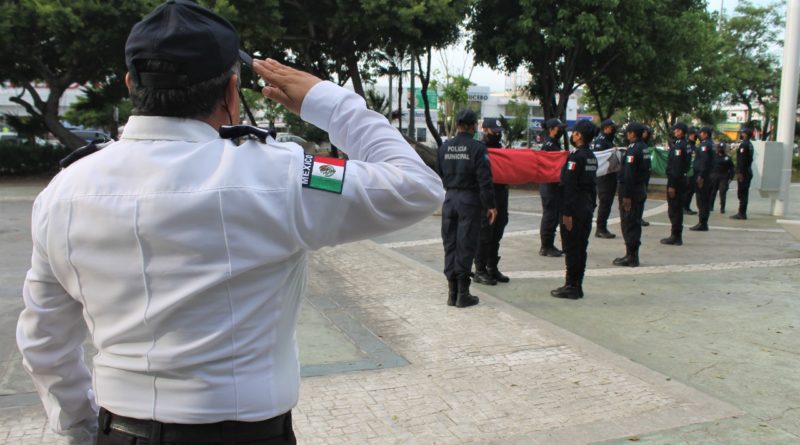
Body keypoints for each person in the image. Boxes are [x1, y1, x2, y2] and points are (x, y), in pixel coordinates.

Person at [16, 2, 444, 444]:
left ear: (130, 84)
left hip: (119, 431)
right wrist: (328, 102)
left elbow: (44, 342)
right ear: (232, 91)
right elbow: (416, 187)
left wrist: (81, 431)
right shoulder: (279, 175)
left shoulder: (63, 192)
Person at [438, 109, 497, 307]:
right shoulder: (478, 148)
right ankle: (463, 293)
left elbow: (439, 174)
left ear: (456, 126)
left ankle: (451, 292)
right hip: (469, 201)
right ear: (473, 127)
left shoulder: (444, 147)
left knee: (450, 244)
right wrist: (491, 205)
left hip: (450, 199)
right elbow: (485, 179)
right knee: (466, 244)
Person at [551, 120, 598, 299]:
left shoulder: (576, 157)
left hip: (575, 208)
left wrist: (567, 213)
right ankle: (577, 285)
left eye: (575, 132)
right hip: (586, 207)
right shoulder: (591, 156)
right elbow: (593, 185)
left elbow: (569, 186)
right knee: (581, 247)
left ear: (579, 135)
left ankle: (571, 286)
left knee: (571, 248)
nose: (572, 135)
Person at [474, 117, 510, 285]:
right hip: (486, 197)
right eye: (493, 131)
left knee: (497, 233)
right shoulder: (479, 149)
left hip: (501, 194)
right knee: (485, 233)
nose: (497, 134)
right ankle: (479, 269)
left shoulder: (501, 149)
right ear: (485, 130)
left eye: (498, 131)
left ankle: (492, 268)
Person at [613, 123, 650, 267]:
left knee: (629, 223)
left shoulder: (634, 149)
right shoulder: (644, 148)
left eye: (628, 132)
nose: (627, 135)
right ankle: (631, 254)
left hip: (631, 191)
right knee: (633, 222)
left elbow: (629, 174)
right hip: (639, 189)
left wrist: (627, 195)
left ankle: (631, 256)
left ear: (633, 134)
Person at [539, 118, 567, 257]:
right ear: (551, 130)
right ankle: (546, 246)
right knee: (550, 216)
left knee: (554, 215)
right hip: (549, 185)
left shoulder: (554, 143)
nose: (561, 130)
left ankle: (549, 244)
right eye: (558, 128)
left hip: (554, 185)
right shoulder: (548, 145)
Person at [661, 122, 691, 246]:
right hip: (682, 179)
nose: (675, 132)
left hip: (676, 181)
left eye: (677, 130)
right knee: (676, 208)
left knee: (674, 209)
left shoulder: (679, 146)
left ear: (682, 131)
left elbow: (677, 167)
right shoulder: (686, 144)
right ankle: (676, 234)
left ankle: (675, 235)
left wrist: (672, 184)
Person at [591, 119, 618, 239]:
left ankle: (603, 226)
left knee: (608, 202)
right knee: (605, 202)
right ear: (606, 128)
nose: (613, 130)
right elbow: (600, 157)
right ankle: (600, 228)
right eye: (611, 127)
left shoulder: (609, 140)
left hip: (610, 175)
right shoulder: (601, 140)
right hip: (604, 176)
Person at [690, 127, 715, 231]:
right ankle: (703, 222)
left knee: (702, 200)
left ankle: (702, 222)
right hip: (708, 175)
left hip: (703, 177)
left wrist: (701, 175)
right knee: (704, 200)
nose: (699, 135)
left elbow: (704, 161)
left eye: (701, 133)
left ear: (705, 134)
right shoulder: (710, 144)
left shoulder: (705, 145)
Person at [731, 128, 755, 220]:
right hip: (747, 171)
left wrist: (740, 172)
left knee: (742, 194)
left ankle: (742, 213)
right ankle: (742, 212)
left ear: (747, 135)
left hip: (744, 172)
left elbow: (742, 160)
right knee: (743, 193)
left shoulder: (744, 145)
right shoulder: (750, 145)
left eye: (743, 133)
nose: (741, 134)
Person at [709, 143, 735, 213]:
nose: (720, 149)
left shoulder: (727, 158)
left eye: (721, 148)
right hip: (714, 176)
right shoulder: (713, 157)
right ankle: (710, 206)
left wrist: (731, 178)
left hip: (724, 177)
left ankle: (722, 208)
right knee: (712, 192)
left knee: (722, 192)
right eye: (719, 148)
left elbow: (732, 168)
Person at [640, 126, 655, 227]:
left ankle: (639, 216)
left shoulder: (644, 145)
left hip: (644, 177)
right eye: (645, 132)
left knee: (642, 198)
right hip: (639, 179)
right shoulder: (637, 146)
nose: (647, 135)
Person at [684, 127, 699, 215]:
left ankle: (687, 206)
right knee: (687, 190)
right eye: (694, 135)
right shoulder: (687, 145)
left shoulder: (694, 146)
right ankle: (684, 207)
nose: (696, 136)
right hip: (688, 172)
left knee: (691, 191)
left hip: (694, 172)